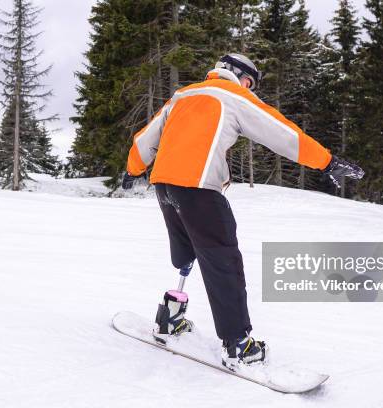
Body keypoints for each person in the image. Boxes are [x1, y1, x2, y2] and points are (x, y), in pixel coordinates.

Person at [122, 53, 364, 369]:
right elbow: (284, 134)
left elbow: (145, 139)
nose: (250, 89)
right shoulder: (234, 96)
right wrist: (327, 161)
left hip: (165, 186)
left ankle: (169, 318)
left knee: (188, 252)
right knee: (223, 261)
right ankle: (238, 345)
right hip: (199, 189)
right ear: (238, 75)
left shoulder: (184, 94)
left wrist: (133, 168)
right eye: (250, 82)